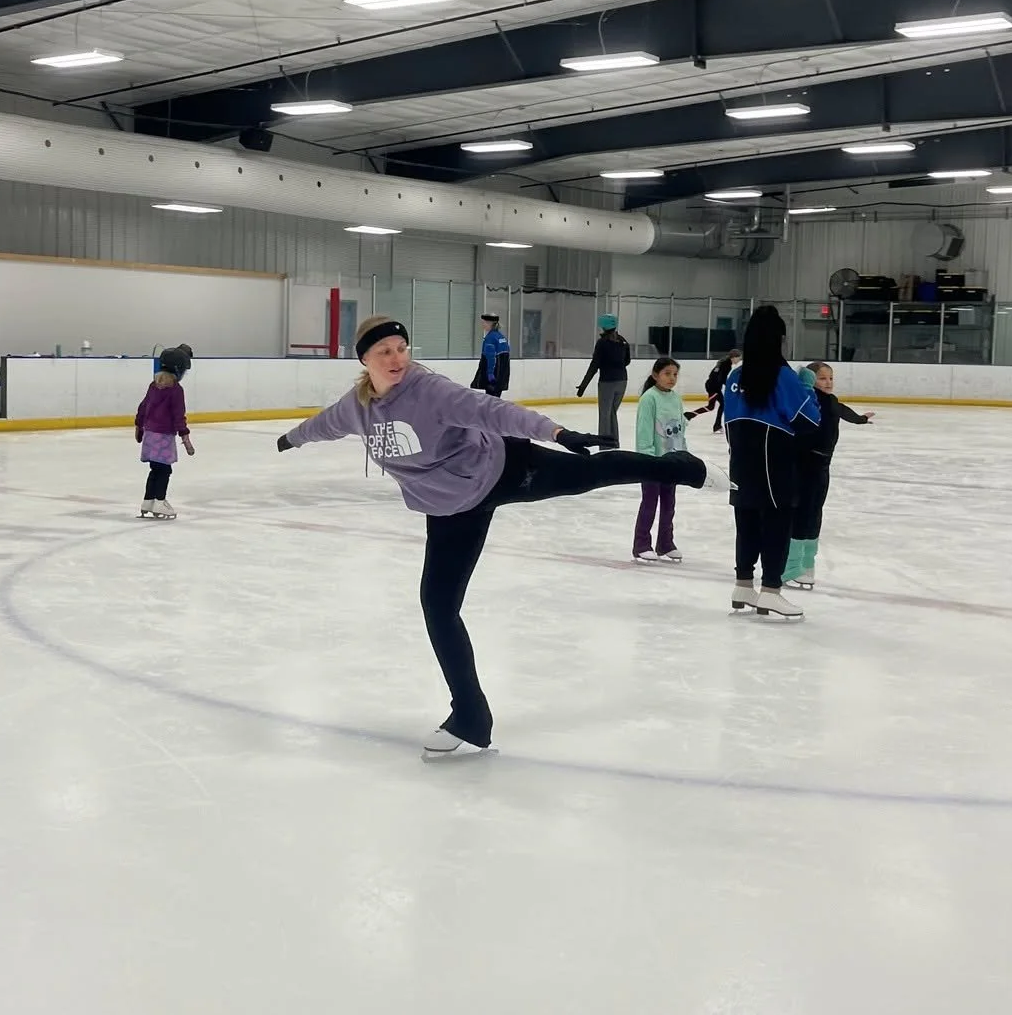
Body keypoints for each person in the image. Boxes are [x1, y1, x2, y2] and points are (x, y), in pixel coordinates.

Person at [276, 315, 712, 758]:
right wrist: (291, 439)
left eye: (401, 348)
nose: (396, 358)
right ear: (364, 359)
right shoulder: (357, 407)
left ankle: (680, 467)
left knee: (590, 473)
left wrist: (556, 432)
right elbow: (324, 424)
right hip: (451, 509)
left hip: (503, 470)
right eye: (384, 351)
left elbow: (494, 412)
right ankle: (471, 718)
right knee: (438, 607)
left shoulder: (430, 390)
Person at [721, 306, 820, 618]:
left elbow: (727, 421)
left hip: (740, 458)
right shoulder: (782, 376)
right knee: (777, 523)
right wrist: (808, 389)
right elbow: (809, 421)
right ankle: (771, 590)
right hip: (775, 460)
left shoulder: (735, 376)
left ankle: (743, 585)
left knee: (747, 521)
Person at [783, 360, 874, 588]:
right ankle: (791, 567)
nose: (828, 382)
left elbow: (841, 410)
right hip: (803, 465)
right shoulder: (807, 401)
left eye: (831, 378)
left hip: (822, 466)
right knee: (802, 513)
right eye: (822, 378)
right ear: (811, 380)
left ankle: (807, 563)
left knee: (815, 513)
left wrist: (861, 419)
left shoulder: (830, 400)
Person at [632, 358, 692, 564]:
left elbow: (680, 430)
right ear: (655, 375)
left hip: (672, 460)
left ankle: (665, 543)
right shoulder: (649, 399)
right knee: (649, 503)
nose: (672, 378)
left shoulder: (675, 398)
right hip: (652, 461)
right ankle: (641, 545)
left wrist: (683, 454)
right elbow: (644, 431)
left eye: (675, 374)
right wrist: (647, 459)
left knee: (669, 504)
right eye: (667, 373)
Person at [135, 345, 194, 519]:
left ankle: (148, 500)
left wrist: (139, 427)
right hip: (164, 437)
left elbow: (143, 407)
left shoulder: (154, 385)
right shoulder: (176, 390)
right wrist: (185, 437)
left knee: (155, 469)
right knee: (165, 470)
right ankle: (159, 502)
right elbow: (178, 415)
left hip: (149, 435)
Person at [577, 316, 633, 450]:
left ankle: (604, 446)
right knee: (612, 413)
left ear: (603, 326)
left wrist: (583, 385)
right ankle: (614, 443)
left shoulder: (602, 343)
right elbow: (627, 361)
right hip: (622, 381)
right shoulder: (623, 341)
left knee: (605, 415)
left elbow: (594, 365)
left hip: (607, 382)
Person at [471, 313, 511, 397]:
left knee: (491, 399)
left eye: (484, 322)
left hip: (493, 374)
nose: (482, 325)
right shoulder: (501, 337)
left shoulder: (490, 338)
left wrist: (490, 373)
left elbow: (490, 357)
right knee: (496, 399)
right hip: (502, 375)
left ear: (490, 323)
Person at [703, 349, 741, 433]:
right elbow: (721, 378)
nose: (739, 360)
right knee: (714, 406)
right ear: (733, 357)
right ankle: (717, 425)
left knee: (719, 405)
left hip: (713, 386)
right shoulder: (726, 365)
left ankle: (717, 425)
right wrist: (729, 386)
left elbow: (715, 375)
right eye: (738, 358)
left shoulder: (724, 362)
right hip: (713, 387)